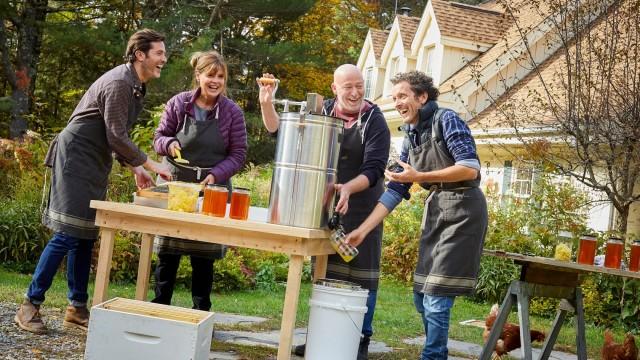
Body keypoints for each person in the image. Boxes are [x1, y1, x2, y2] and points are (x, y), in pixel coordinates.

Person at [15, 29, 172, 334]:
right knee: (67, 233)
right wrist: (149, 163)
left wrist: (136, 169)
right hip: (75, 157)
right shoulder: (119, 83)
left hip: (95, 160)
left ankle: (76, 308)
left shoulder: (135, 85)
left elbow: (116, 136)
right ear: (140, 54)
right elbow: (115, 134)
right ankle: (28, 306)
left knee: (86, 234)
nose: (164, 59)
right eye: (159, 53)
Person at [345, 71, 488, 359]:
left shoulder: (446, 120)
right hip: (437, 211)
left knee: (436, 298)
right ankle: (438, 353)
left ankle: (432, 356)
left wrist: (420, 174)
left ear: (422, 97)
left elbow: (470, 167)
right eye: (394, 97)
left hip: (464, 211)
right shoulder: (411, 133)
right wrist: (363, 229)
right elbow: (396, 189)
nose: (397, 102)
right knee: (422, 296)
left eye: (402, 96)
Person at [258, 64, 390, 360]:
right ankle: (322, 336)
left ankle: (359, 341)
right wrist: (267, 103)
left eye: (360, 86)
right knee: (325, 273)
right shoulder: (322, 110)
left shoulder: (374, 120)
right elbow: (282, 132)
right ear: (334, 88)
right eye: (348, 87)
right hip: (327, 206)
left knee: (362, 276)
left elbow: (374, 169)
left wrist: (347, 189)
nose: (355, 93)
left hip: (361, 206)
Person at [151, 50, 247, 311]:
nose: (215, 81)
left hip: (213, 190)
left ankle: (201, 312)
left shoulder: (232, 112)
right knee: (167, 252)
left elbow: (238, 155)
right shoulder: (179, 104)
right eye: (210, 75)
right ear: (198, 75)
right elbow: (158, 137)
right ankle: (160, 307)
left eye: (221, 76)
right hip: (176, 185)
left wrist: (216, 174)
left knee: (203, 256)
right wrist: (169, 144)